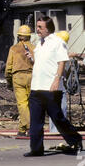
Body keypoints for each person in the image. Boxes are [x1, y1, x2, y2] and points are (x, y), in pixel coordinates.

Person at [24, 16, 83, 157]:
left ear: (48, 29)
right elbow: (40, 63)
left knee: (57, 118)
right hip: (37, 87)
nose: (37, 30)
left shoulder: (58, 42)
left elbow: (62, 61)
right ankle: (36, 149)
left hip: (51, 88)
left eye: (40, 27)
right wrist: (31, 59)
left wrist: (57, 80)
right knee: (35, 120)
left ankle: (75, 140)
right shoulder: (39, 44)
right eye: (37, 26)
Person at [5, 25, 34, 137]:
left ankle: (29, 127)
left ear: (19, 36)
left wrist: (8, 80)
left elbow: (8, 67)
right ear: (29, 36)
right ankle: (22, 129)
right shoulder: (35, 48)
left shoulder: (14, 49)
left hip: (18, 77)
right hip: (32, 76)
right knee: (30, 103)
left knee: (22, 104)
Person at [49, 31, 70, 133]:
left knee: (61, 106)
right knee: (58, 106)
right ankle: (56, 130)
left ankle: (59, 129)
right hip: (56, 81)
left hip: (58, 81)